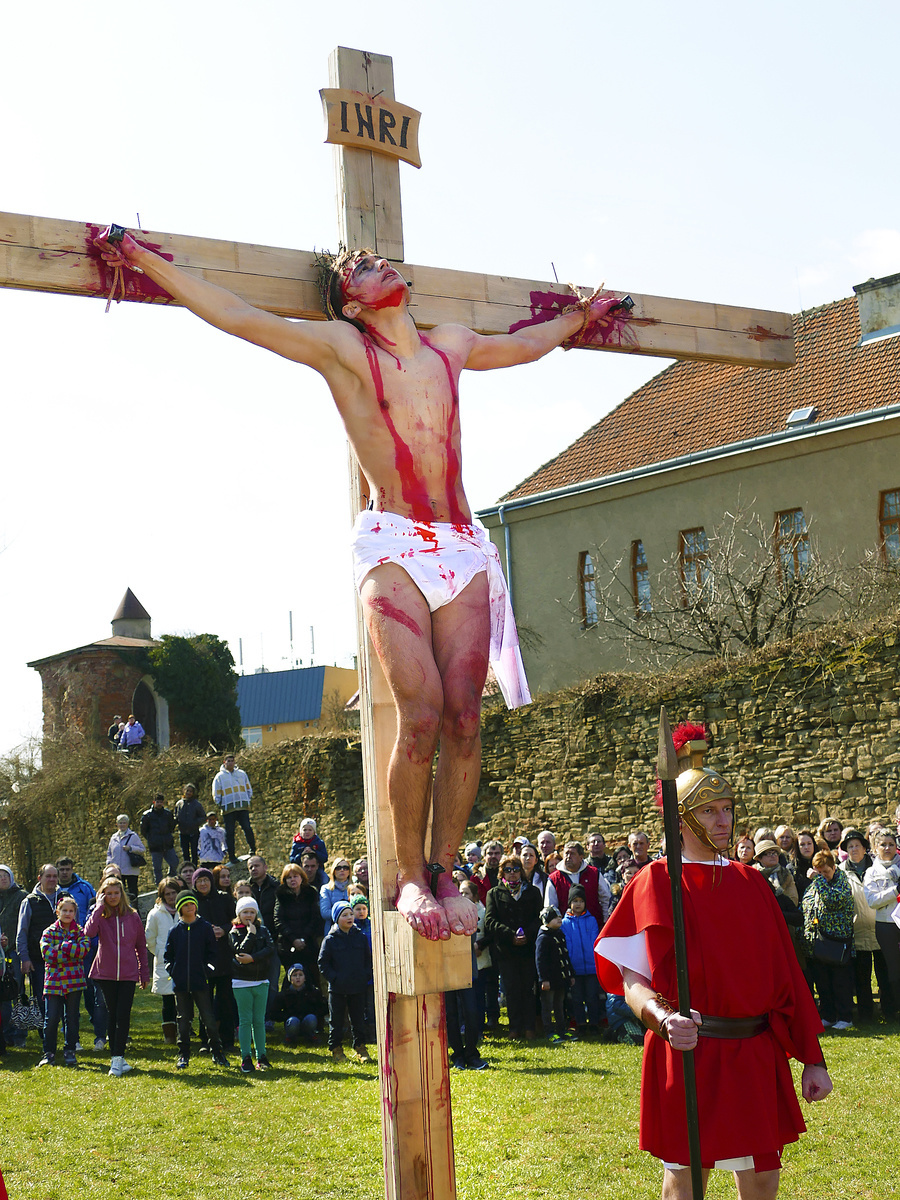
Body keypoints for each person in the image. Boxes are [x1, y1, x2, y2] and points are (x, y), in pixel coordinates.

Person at [94, 229, 623, 943]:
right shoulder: (345, 349)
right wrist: (147, 262)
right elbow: (241, 316)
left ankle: (443, 868)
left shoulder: (451, 343)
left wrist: (578, 321)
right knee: (425, 712)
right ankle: (408, 874)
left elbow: (527, 345)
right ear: (349, 300)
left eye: (379, 258)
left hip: (461, 546)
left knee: (467, 713)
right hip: (395, 542)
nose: (379, 264)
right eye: (361, 267)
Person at [595, 727, 832, 1199]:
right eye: (708, 810)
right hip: (689, 1048)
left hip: (753, 1051)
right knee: (686, 1175)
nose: (723, 821)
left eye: (726, 809)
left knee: (763, 1174)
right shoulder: (655, 881)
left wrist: (812, 1057)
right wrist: (662, 1018)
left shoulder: (752, 883)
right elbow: (632, 982)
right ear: (679, 819)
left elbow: (787, 976)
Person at [85, 876, 149, 1077]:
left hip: (128, 973)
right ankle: (117, 1058)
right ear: (103, 895)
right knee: (113, 1014)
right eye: (108, 893)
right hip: (105, 973)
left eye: (116, 893)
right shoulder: (100, 915)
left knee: (123, 1014)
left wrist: (143, 972)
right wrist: (98, 907)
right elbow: (89, 932)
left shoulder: (133, 916)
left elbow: (141, 945)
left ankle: (118, 1057)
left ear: (122, 894)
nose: (112, 897)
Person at [164, 891, 230, 1069]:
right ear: (180, 908)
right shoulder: (174, 931)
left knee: (208, 1018)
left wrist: (207, 971)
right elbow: (167, 956)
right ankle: (183, 1054)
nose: (190, 907)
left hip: (201, 982)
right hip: (181, 984)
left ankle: (217, 1052)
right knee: (183, 1019)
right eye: (185, 905)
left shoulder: (205, 927)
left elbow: (213, 954)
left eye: (192, 904)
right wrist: (173, 971)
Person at [484, 854, 541, 1039]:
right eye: (508, 870)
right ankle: (514, 1028)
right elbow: (490, 921)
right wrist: (510, 935)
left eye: (516, 869)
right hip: (506, 949)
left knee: (528, 989)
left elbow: (539, 918)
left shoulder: (532, 892)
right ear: (502, 872)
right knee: (512, 990)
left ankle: (529, 1027)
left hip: (528, 948)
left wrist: (526, 933)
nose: (512, 874)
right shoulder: (494, 893)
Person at [55, 857, 106, 1051]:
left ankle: (97, 1024)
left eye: (68, 869)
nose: (65, 872)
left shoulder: (85, 887)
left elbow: (94, 910)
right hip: (63, 948)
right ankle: (70, 1034)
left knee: (91, 990)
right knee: (71, 994)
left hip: (87, 944)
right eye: (62, 869)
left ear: (72, 869)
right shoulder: (53, 889)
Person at [802, 850, 855, 1030]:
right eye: (820, 872)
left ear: (834, 867)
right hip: (818, 943)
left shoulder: (842, 883)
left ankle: (846, 1017)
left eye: (826, 871)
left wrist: (818, 880)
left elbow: (833, 900)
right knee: (823, 981)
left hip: (837, 943)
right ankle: (828, 1015)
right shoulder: (815, 885)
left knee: (840, 982)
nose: (824, 875)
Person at [37, 895, 90, 1068]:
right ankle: (49, 1052)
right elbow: (48, 955)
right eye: (64, 910)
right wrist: (69, 953)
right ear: (58, 912)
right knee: (51, 1018)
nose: (67, 914)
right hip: (54, 983)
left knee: (72, 1018)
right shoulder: (49, 932)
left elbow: (83, 950)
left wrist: (63, 946)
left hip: (74, 982)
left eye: (71, 911)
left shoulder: (81, 932)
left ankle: (70, 1050)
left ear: (75, 913)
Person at [318, 901, 373, 1063]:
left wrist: (365, 975)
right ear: (337, 918)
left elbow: (367, 960)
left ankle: (360, 1047)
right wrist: (335, 978)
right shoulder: (330, 940)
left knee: (358, 1019)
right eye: (345, 915)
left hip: (357, 986)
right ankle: (336, 1048)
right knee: (336, 1020)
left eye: (350, 914)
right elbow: (323, 963)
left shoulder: (360, 937)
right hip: (337, 989)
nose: (349, 917)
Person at [230, 895, 275, 1073]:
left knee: (259, 1021)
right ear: (239, 914)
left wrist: (254, 958)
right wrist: (250, 934)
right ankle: (245, 1057)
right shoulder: (234, 932)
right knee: (245, 1020)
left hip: (261, 981)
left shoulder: (263, 930)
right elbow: (240, 951)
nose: (248, 915)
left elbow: (270, 949)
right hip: (242, 982)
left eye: (252, 912)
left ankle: (262, 1056)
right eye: (245, 912)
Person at [838, 830, 879, 1022]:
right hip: (856, 931)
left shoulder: (877, 867)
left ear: (865, 848)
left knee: (884, 974)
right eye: (850, 846)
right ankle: (866, 1015)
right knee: (862, 977)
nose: (854, 849)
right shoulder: (840, 871)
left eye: (857, 845)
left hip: (880, 927)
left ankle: (890, 1010)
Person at [16, 863, 65, 1015]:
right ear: (40, 878)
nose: (52, 879)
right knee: (42, 998)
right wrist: (24, 958)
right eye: (48, 876)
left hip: (65, 958)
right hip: (38, 960)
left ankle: (68, 1036)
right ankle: (46, 1035)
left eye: (54, 876)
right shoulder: (29, 901)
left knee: (65, 1000)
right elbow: (22, 932)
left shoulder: (66, 898)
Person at [863, 829, 900, 1021]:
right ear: (875, 848)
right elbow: (872, 901)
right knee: (894, 970)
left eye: (891, 844)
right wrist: (896, 891)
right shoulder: (871, 872)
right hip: (886, 925)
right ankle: (894, 1009)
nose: (887, 848)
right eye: (883, 844)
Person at [561, 884, 604, 1036]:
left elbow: (594, 940)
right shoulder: (564, 923)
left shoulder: (591, 920)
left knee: (592, 997)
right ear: (570, 903)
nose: (578, 904)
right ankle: (580, 1023)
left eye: (580, 900)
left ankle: (593, 1023)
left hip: (591, 967)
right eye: (575, 901)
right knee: (577, 998)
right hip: (575, 968)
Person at [273, 863, 323, 987]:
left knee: (311, 978)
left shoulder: (311, 893)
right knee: (291, 980)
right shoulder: (281, 895)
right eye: (289, 878)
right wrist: (293, 939)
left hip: (308, 943)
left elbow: (315, 917)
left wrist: (303, 938)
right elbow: (278, 919)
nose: (293, 880)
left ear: (302, 877)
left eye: (295, 876)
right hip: (288, 944)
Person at [145, 877, 180, 1045]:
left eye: (174, 893)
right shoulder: (156, 913)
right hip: (164, 961)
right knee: (167, 999)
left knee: (183, 998)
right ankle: (170, 1035)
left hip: (184, 960)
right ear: (162, 895)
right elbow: (150, 938)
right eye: (168, 894)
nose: (171, 897)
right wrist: (159, 952)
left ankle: (184, 1032)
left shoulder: (185, 909)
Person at [544, 841, 612, 927]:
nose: (568, 857)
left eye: (572, 854)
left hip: (593, 928)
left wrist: (606, 921)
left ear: (581, 857)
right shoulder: (554, 879)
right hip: (566, 930)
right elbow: (550, 907)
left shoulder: (594, 874)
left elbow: (605, 899)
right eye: (566, 853)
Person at [534, 904, 575, 1044]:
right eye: (555, 917)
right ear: (546, 920)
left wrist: (570, 974)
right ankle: (549, 1031)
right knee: (548, 1006)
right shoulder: (543, 938)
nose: (559, 919)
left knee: (559, 1005)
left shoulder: (560, 934)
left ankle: (562, 1030)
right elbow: (540, 961)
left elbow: (565, 956)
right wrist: (543, 979)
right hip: (549, 981)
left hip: (561, 978)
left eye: (559, 917)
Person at [0, 864, 28, 1048]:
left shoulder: (21, 897)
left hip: (15, 951)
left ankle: (19, 1034)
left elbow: (24, 923)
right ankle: (5, 1032)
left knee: (17, 991)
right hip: (0, 952)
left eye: (5, 875)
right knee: (3, 994)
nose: (2, 879)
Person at [212, 752, 256, 863]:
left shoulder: (242, 774)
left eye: (232, 761)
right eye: (228, 761)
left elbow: (248, 787)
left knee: (247, 828)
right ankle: (232, 856)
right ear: (224, 762)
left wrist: (247, 799)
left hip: (242, 807)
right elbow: (216, 792)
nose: (230, 763)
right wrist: (219, 803)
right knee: (230, 833)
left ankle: (253, 849)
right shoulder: (219, 777)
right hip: (228, 808)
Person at [269, 963, 326, 1045]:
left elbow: (323, 1007)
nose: (298, 978)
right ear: (289, 978)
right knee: (293, 1021)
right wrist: (287, 1016)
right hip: (292, 1024)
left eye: (300, 975)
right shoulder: (284, 994)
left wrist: (314, 1013)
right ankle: (290, 1037)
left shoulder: (313, 992)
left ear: (305, 977)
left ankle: (310, 1034)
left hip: (308, 1021)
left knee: (311, 1018)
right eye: (294, 975)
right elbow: (273, 1013)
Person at [140, 794, 179, 884]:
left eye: (161, 802)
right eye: (157, 802)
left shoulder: (167, 814)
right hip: (155, 846)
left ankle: (171, 880)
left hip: (168, 844)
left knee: (174, 862)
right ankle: (159, 886)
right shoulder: (147, 816)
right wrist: (151, 839)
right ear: (154, 802)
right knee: (157, 869)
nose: (159, 804)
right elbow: (143, 831)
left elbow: (171, 827)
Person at [105, 814, 144, 904]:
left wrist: (130, 848)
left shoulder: (133, 836)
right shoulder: (113, 837)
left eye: (124, 823)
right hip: (117, 872)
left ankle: (134, 910)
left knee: (132, 892)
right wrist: (109, 864)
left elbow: (142, 849)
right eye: (120, 823)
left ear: (127, 824)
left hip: (131, 870)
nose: (122, 825)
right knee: (118, 892)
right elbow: (109, 853)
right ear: (117, 824)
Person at [174, 784, 206, 866]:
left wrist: (195, 823)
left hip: (193, 832)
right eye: (187, 790)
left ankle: (194, 868)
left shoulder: (196, 804)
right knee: (185, 853)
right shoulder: (179, 804)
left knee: (194, 852)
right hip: (183, 832)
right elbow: (175, 816)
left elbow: (203, 817)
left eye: (190, 791)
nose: (188, 793)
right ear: (184, 791)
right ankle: (187, 869)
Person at [289, 818, 328, 886]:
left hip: (317, 870)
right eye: (305, 830)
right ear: (301, 831)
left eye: (310, 830)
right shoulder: (297, 843)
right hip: (300, 870)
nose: (307, 832)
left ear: (314, 832)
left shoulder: (319, 843)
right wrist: (301, 854)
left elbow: (325, 858)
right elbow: (292, 859)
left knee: (325, 879)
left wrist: (314, 853)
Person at [319, 858, 352, 929]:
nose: (342, 870)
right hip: (333, 930)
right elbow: (325, 913)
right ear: (333, 871)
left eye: (345, 868)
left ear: (349, 871)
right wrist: (346, 915)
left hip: (353, 929)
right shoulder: (326, 889)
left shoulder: (354, 888)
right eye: (338, 868)